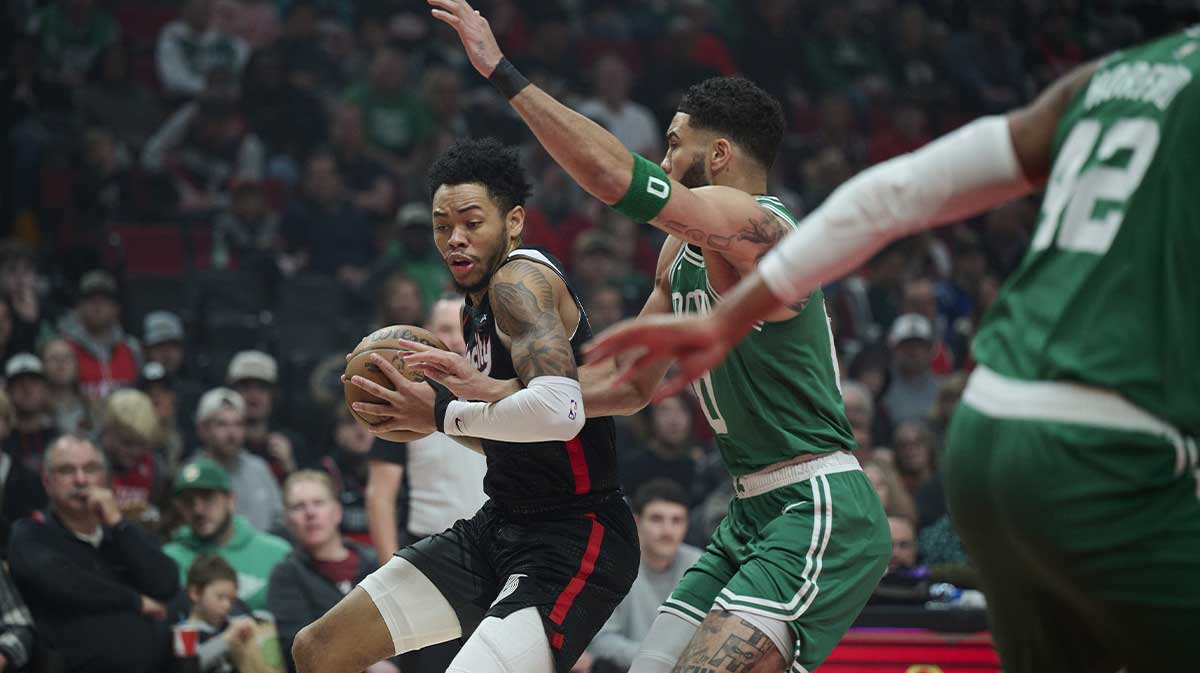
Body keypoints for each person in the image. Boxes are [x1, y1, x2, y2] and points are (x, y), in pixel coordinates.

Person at [586, 27, 1200, 673]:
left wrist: (726, 318)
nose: (665, 154)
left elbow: (894, 193)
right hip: (1112, 436)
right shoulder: (699, 242)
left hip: (988, 430)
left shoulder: (1111, 75)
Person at [429, 5, 889, 672]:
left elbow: (617, 180)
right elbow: (630, 385)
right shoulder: (680, 253)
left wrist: (502, 73)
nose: (665, 158)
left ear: (720, 153)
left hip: (816, 502)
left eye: (675, 144)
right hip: (749, 512)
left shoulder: (756, 226)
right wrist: (499, 390)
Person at [290, 138, 640, 673]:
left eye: (472, 222)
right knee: (318, 650)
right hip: (498, 524)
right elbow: (504, 436)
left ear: (514, 221)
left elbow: (559, 412)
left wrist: (439, 414)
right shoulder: (475, 309)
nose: (454, 239)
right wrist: (432, 414)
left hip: (574, 537)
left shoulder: (518, 283)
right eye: (441, 225)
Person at [363, 293, 487, 673]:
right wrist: (391, 576)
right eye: (444, 329)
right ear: (428, 336)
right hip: (431, 554)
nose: (452, 338)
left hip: (496, 554)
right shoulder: (405, 401)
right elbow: (380, 496)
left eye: (460, 328)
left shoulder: (499, 397)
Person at [7, 435, 179, 673]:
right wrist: (134, 601)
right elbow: (65, 583)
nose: (80, 480)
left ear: (105, 479)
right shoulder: (31, 533)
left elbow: (166, 583)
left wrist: (119, 523)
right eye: (67, 470)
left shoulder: (123, 534)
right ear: (47, 482)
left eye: (90, 469)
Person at [269, 471, 394, 673]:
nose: (310, 513)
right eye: (298, 506)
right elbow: (301, 647)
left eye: (318, 503)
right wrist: (370, 665)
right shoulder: (287, 575)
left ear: (337, 511)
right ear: (288, 521)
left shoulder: (376, 563)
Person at [588, 480, 702, 673]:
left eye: (677, 520)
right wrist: (663, 661)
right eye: (657, 519)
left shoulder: (700, 565)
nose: (667, 531)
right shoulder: (613, 566)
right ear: (637, 522)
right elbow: (600, 640)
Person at [165, 456, 291, 612]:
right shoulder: (169, 559)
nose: (198, 510)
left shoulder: (276, 553)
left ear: (231, 501)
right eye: (187, 501)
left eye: (207, 498)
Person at [195, 386, 285, 533]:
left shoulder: (259, 468)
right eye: (221, 424)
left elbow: (280, 519)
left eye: (238, 424)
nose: (232, 433)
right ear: (203, 429)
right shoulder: (191, 474)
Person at [56, 270, 141, 400]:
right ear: (79, 307)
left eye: (104, 300)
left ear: (116, 308)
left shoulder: (131, 348)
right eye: (91, 300)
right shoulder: (65, 349)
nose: (98, 306)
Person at [183, 554, 259, 673]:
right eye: (220, 597)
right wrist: (226, 640)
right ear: (195, 593)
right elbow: (187, 666)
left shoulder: (231, 625)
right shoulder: (185, 634)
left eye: (232, 599)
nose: (227, 605)